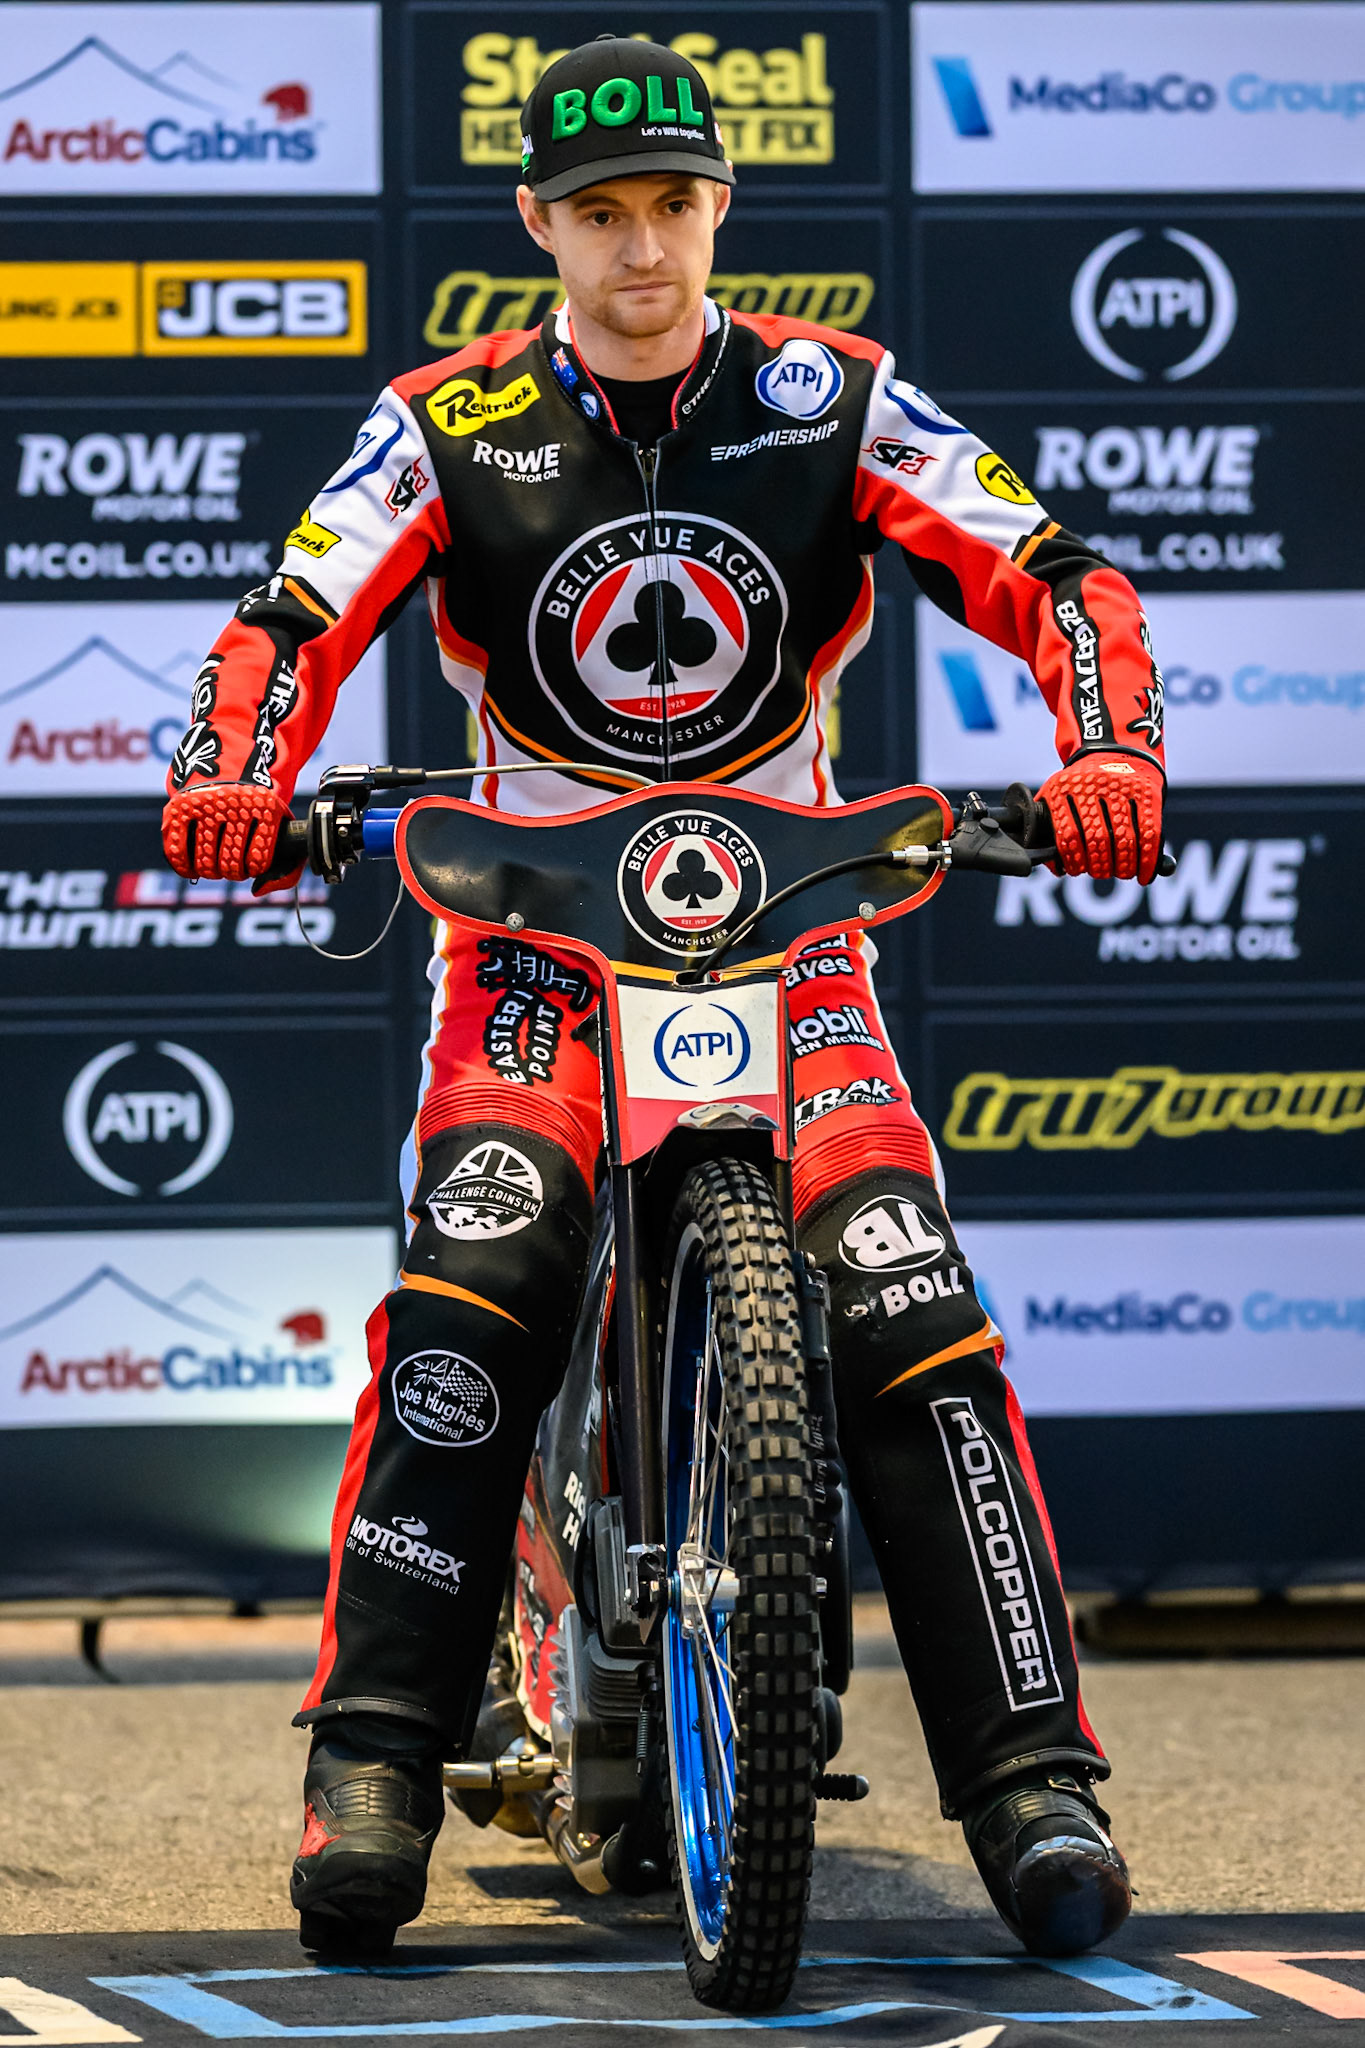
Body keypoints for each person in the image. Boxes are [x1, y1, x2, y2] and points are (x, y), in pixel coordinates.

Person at [161, 34, 1165, 1963]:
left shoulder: (831, 394)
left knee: (900, 1297)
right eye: (602, 215)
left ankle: (1033, 1775)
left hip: (789, 923)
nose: (643, 252)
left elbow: (1058, 570)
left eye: (676, 209)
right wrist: (229, 774)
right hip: (534, 932)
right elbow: (286, 620)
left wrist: (1102, 743)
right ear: (538, 223)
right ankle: (369, 1762)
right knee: (483, 1277)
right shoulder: (445, 421)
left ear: (722, 208)